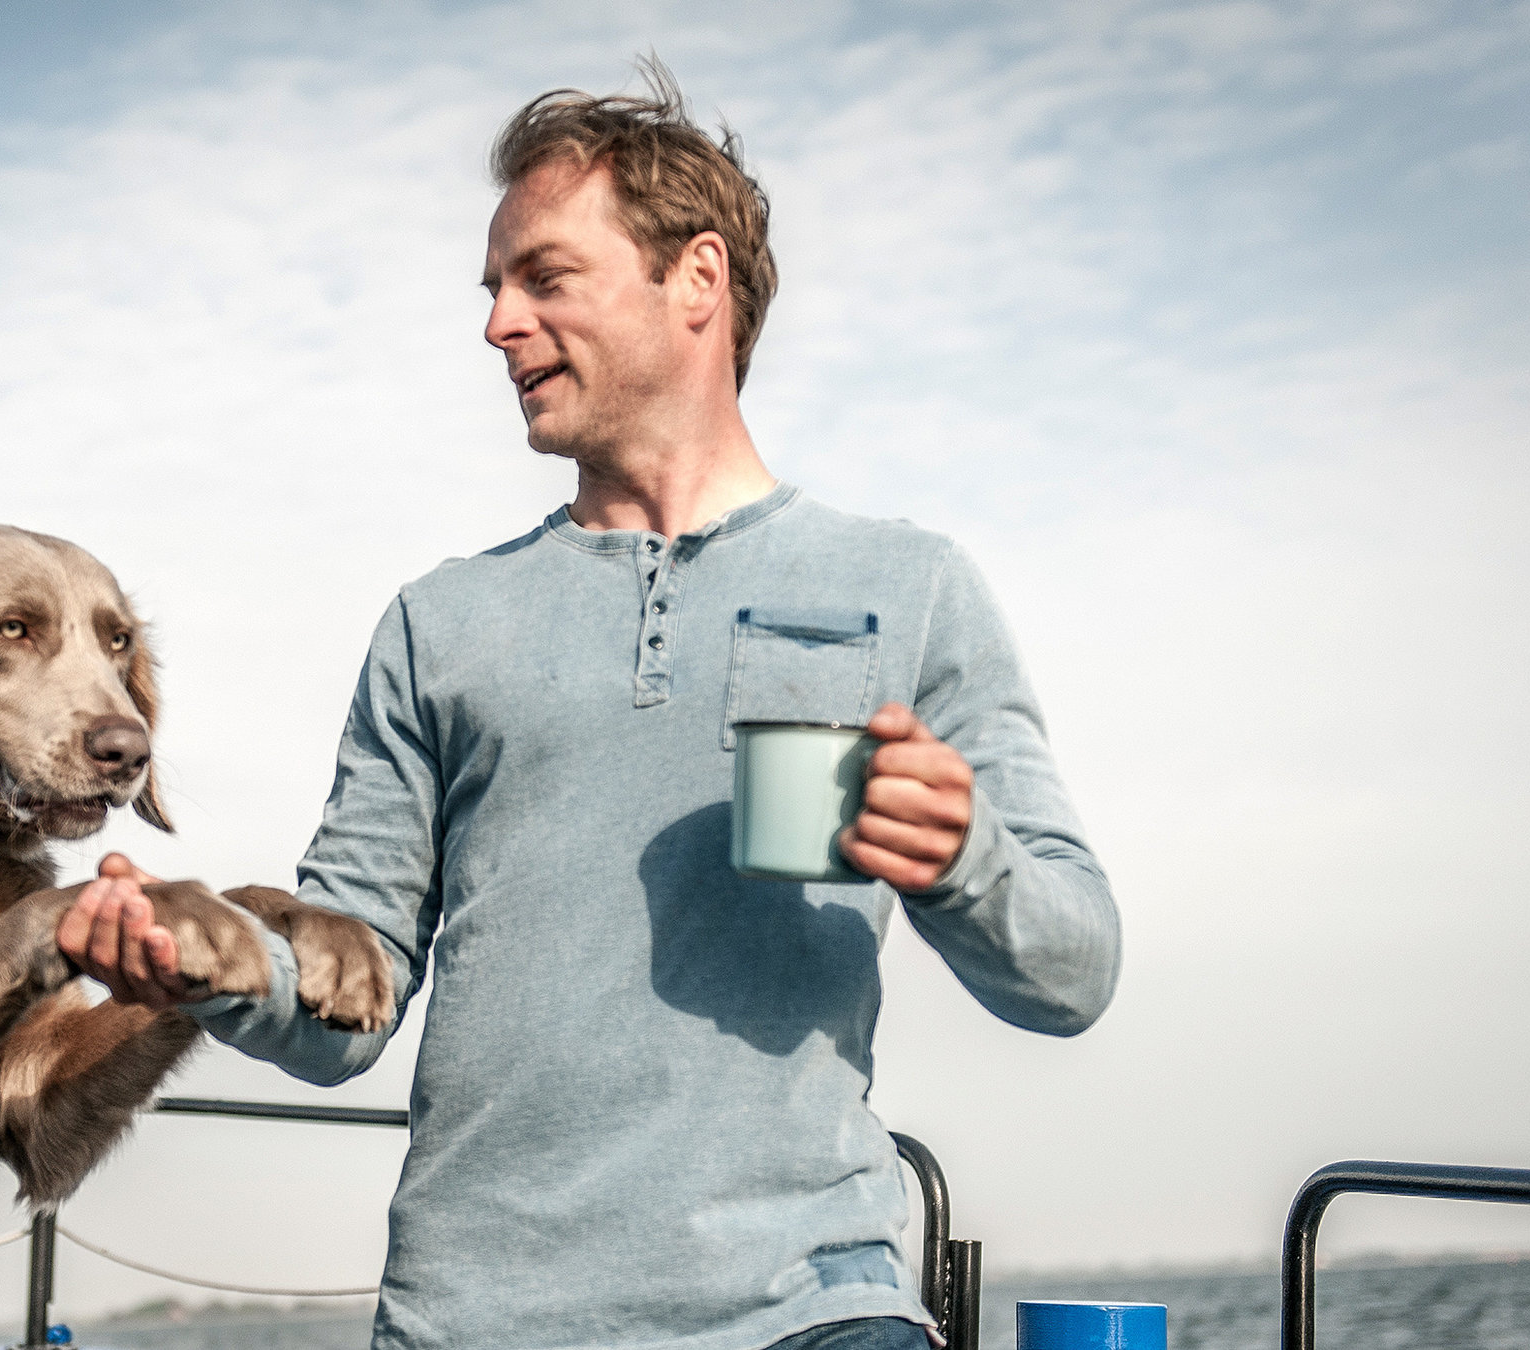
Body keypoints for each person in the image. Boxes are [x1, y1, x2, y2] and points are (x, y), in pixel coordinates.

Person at [58, 63, 1120, 1350]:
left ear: (698, 283)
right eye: (494, 290)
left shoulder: (910, 588)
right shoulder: (435, 625)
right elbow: (352, 1000)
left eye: (544, 278)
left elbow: (1072, 969)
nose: (497, 324)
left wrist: (964, 859)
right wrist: (204, 964)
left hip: (812, 1311)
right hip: (474, 1321)